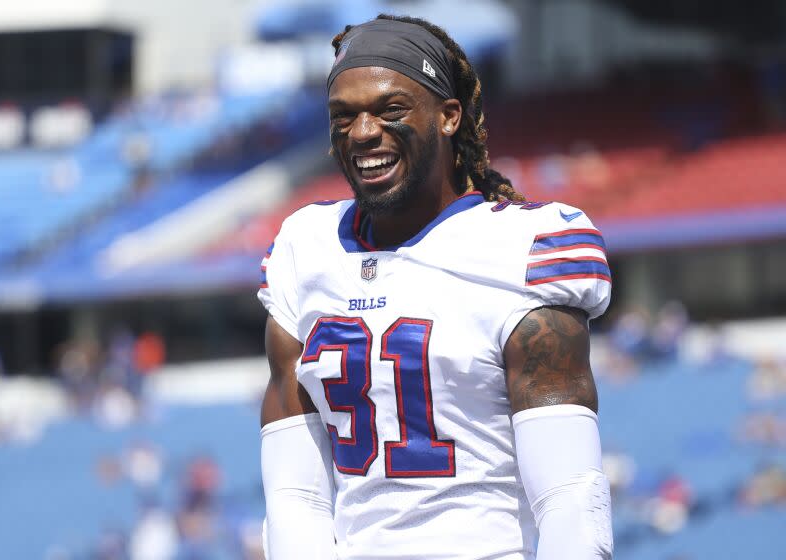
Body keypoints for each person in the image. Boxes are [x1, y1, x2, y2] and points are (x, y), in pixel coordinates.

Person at [258, 15, 613, 560]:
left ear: (449, 117)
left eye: (389, 109)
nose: (363, 132)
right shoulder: (305, 250)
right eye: (343, 116)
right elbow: (294, 494)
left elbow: (569, 497)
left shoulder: (523, 247)